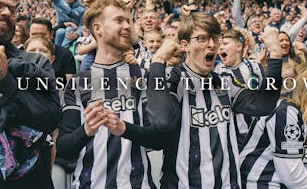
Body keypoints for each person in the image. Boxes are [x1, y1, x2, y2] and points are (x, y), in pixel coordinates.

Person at [107, 11, 283, 188]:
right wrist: (158, 60)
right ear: (185, 45)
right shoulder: (172, 79)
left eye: (215, 38)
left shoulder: (223, 82)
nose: (212, 45)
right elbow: (163, 123)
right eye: (202, 39)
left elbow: (263, 105)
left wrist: (275, 55)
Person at [56, 0, 157, 188]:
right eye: (119, 20)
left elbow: (159, 138)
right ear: (98, 28)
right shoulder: (77, 83)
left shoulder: (143, 77)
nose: (127, 26)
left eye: (128, 21)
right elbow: (62, 147)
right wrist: (86, 131)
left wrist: (125, 129)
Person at [0, 0, 61, 188]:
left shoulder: (34, 62)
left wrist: (3, 86)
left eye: (12, 10)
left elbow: (49, 115)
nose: (7, 12)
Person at [240, 61, 307, 188]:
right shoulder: (286, 111)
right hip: (263, 183)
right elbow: (292, 174)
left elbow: (302, 163)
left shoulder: (301, 110)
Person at [29, 17, 76, 84]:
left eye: (43, 35)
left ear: (51, 34)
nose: (38, 38)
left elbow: (71, 85)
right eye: (34, 34)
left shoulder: (65, 54)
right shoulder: (21, 53)